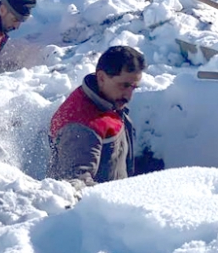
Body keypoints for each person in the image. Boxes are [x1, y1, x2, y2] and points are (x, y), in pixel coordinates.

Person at [47, 45, 146, 187]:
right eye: (123, 85)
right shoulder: (80, 126)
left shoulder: (107, 101)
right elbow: (75, 187)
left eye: (133, 87)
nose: (129, 96)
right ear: (101, 77)